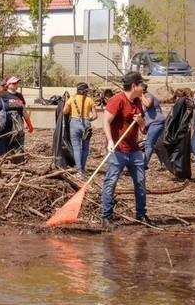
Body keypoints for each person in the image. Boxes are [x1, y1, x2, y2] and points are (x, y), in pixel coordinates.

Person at [100, 72, 150, 228]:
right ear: (134, 85)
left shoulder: (138, 102)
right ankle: (107, 217)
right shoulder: (117, 100)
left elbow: (144, 130)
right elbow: (106, 122)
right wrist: (109, 141)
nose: (143, 88)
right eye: (142, 85)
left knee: (140, 182)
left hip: (134, 150)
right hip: (117, 150)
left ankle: (141, 214)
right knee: (111, 182)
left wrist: (141, 122)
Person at [64, 82, 97, 172]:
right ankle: (83, 167)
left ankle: (79, 170)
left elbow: (65, 111)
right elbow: (95, 116)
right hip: (86, 125)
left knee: (76, 147)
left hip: (74, 124)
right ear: (85, 91)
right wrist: (87, 120)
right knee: (86, 148)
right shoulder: (89, 100)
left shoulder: (71, 99)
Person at [0, 76, 27, 154]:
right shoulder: (3, 95)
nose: (16, 85)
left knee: (20, 135)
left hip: (19, 120)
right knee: (9, 136)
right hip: (8, 120)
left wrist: (29, 123)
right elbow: (1, 107)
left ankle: (19, 155)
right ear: (8, 84)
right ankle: (7, 155)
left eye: (17, 83)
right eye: (14, 83)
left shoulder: (20, 95)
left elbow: (23, 109)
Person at [141, 87, 166, 170]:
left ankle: (144, 165)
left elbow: (148, 104)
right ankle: (164, 164)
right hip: (152, 124)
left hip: (156, 122)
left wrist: (140, 95)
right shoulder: (141, 99)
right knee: (157, 145)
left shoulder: (148, 96)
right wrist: (143, 126)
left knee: (149, 144)